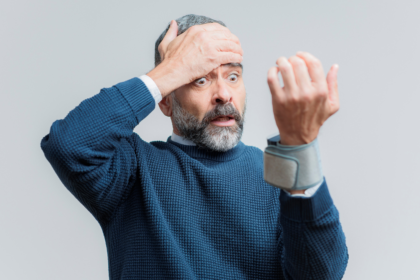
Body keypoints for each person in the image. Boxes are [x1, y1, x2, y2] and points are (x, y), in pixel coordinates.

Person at [41, 14, 348, 280]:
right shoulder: (131, 172)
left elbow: (319, 274)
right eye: (199, 79)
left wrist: (299, 150)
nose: (223, 94)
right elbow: (68, 145)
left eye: (232, 76)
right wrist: (166, 73)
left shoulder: (278, 174)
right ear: (165, 100)